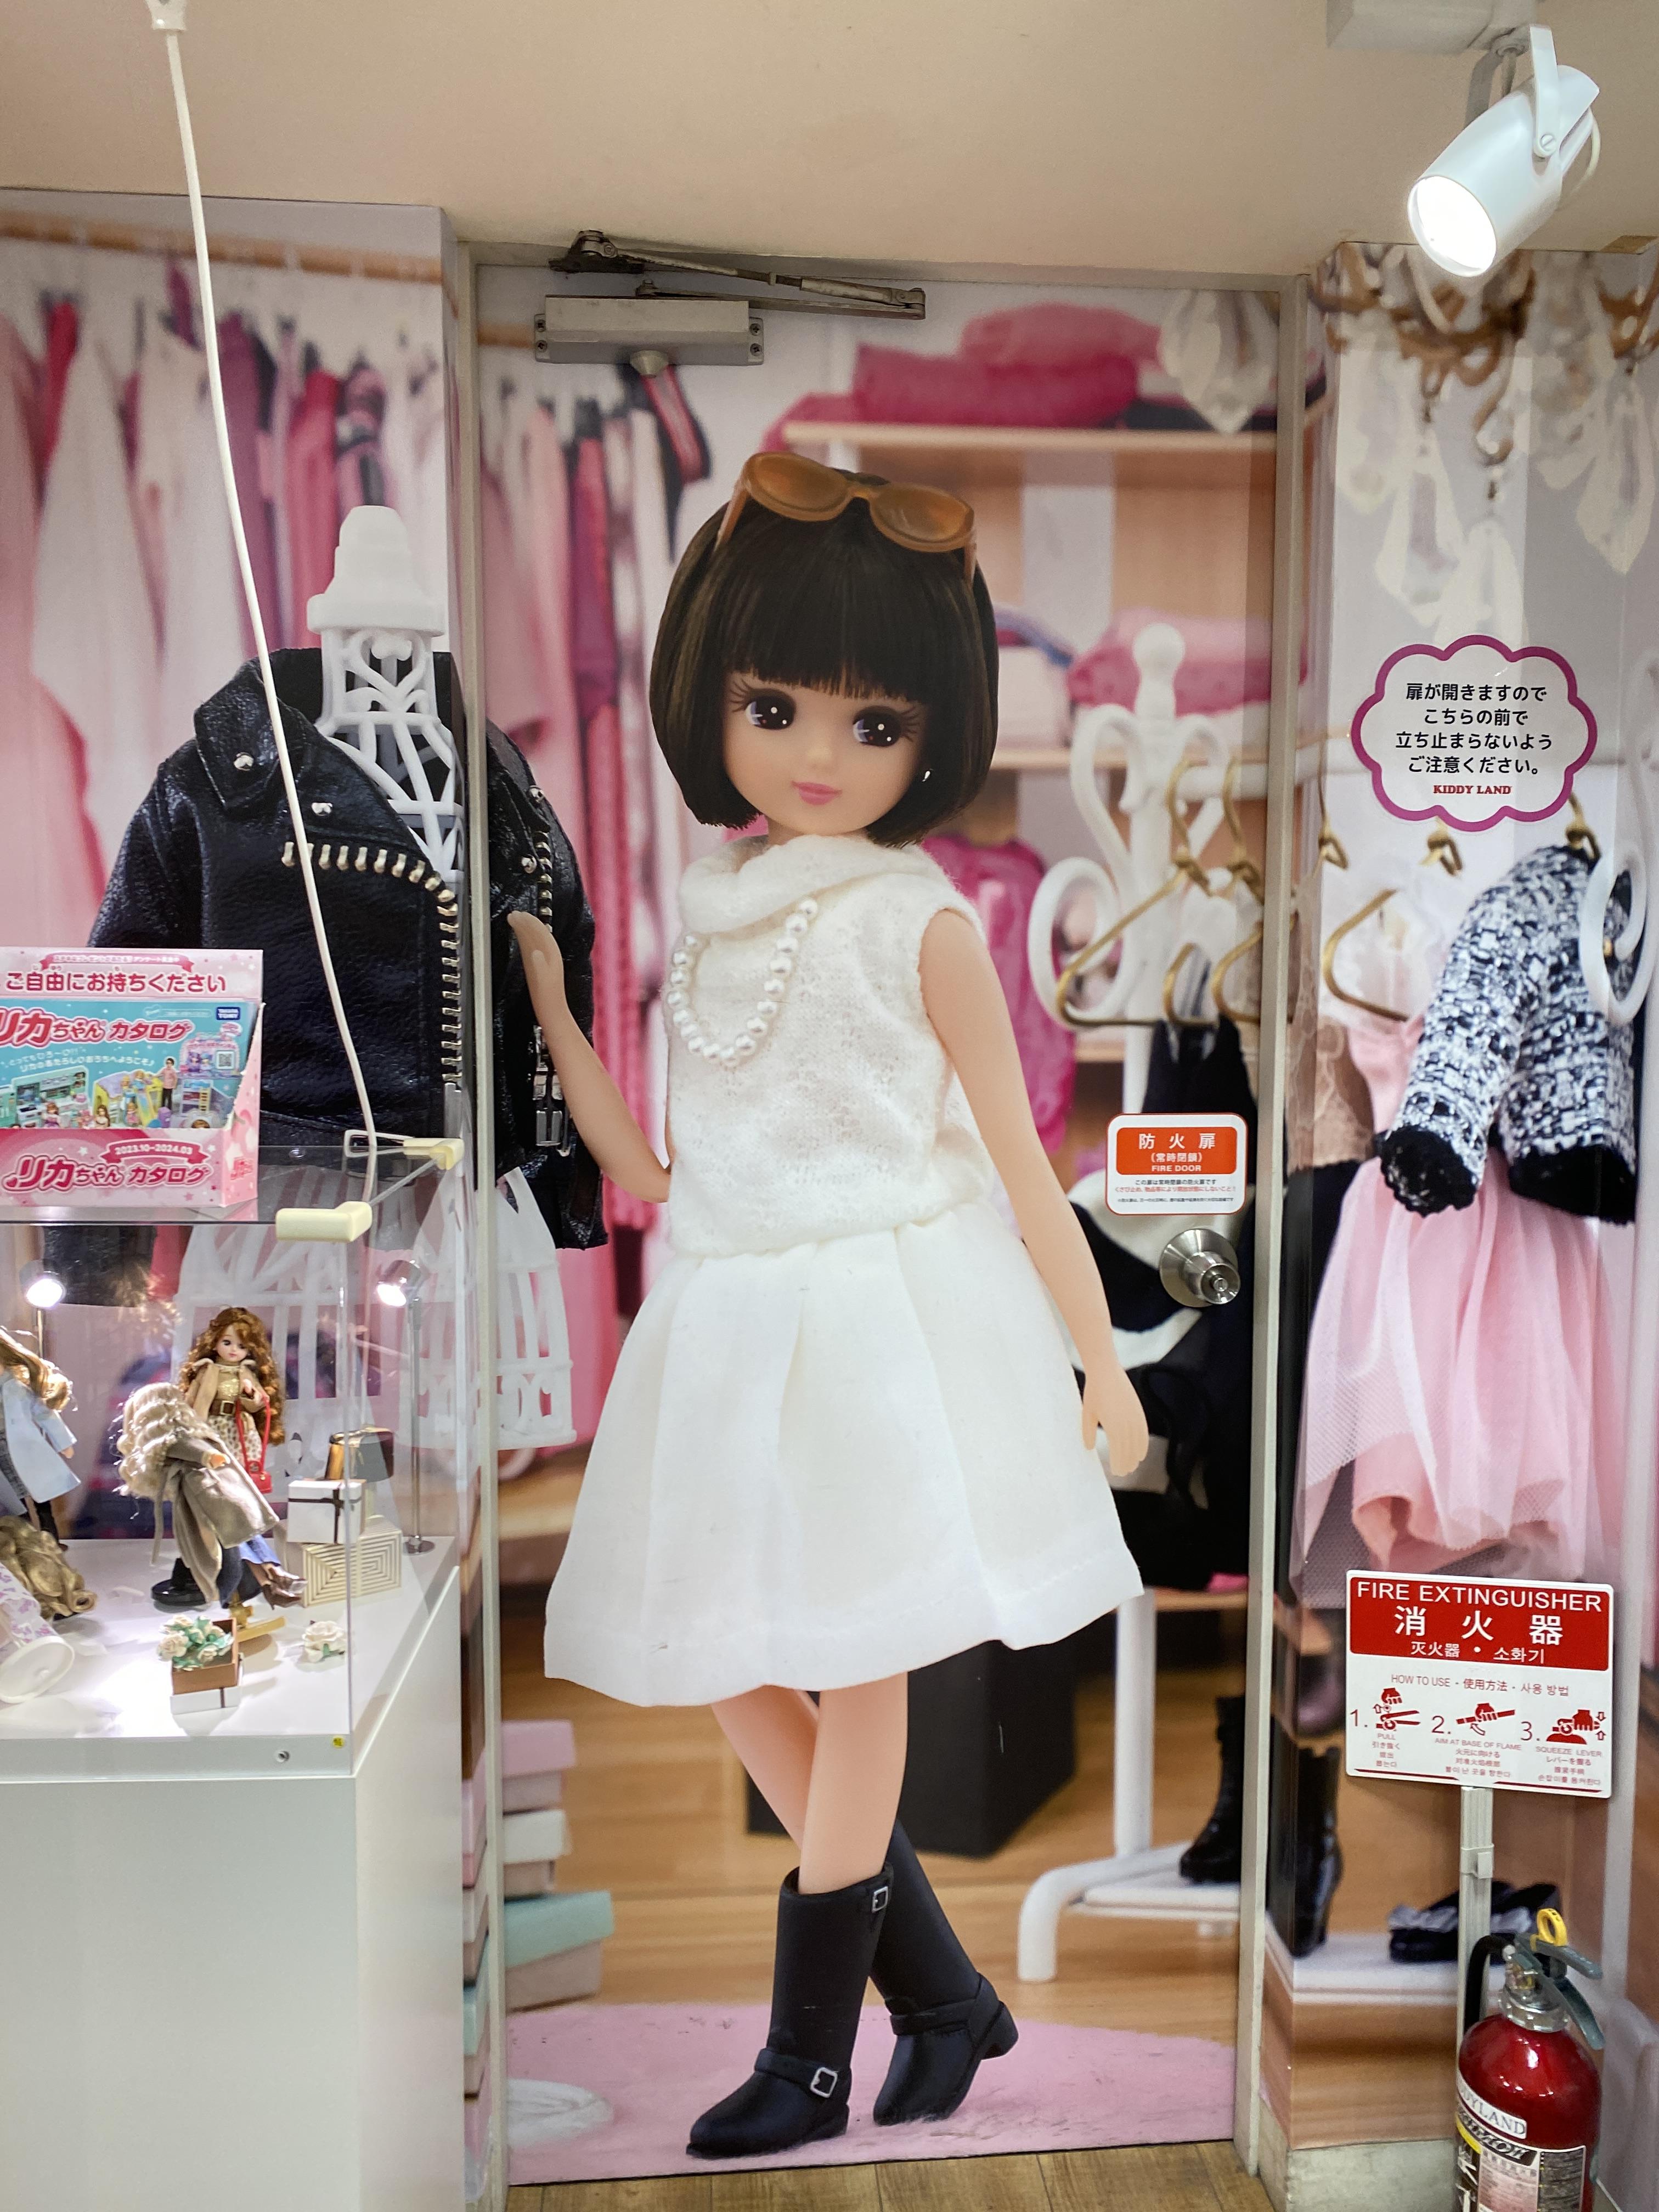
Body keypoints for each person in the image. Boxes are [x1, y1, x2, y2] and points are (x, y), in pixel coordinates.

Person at [512, 453, 1148, 2159]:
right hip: (730, 1319)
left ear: (928, 735)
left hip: (879, 1319)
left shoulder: (920, 926)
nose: (816, 753)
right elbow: (659, 1167)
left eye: (873, 724)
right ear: (710, 698)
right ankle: (940, 1998)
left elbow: (1023, 1164)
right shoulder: (715, 915)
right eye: (775, 705)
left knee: (861, 1666)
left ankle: (808, 2059)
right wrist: (558, 1018)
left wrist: (1098, 1364)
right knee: (732, 1660)